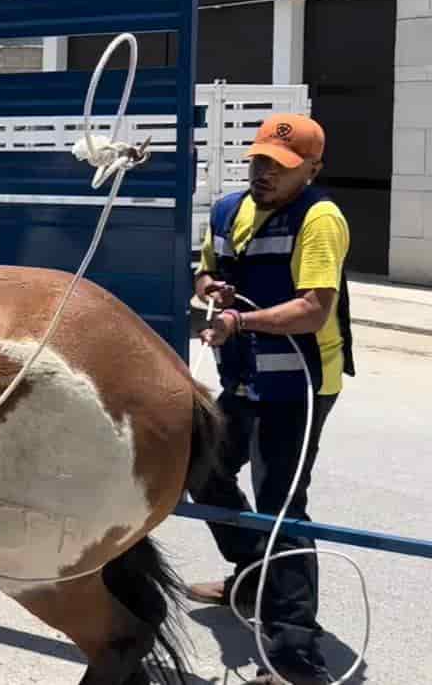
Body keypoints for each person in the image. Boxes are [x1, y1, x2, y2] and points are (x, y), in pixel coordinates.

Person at [189, 113, 354, 685]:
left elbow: (314, 309)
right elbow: (205, 274)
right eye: (259, 161)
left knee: (281, 505)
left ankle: (295, 659)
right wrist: (211, 288)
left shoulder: (319, 218)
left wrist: (239, 318)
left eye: (279, 168)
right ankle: (254, 573)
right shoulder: (228, 210)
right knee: (203, 470)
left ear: (312, 167)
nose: (264, 174)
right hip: (242, 379)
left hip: (298, 386)